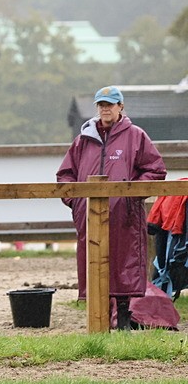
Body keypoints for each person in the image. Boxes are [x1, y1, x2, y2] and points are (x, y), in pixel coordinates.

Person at [57, 85, 166, 330]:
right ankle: (100, 323)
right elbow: (65, 175)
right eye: (101, 105)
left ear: (120, 106)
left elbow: (155, 170)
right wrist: (76, 202)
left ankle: (124, 320)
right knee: (94, 264)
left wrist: (131, 195)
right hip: (89, 217)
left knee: (123, 265)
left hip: (124, 217)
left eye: (110, 104)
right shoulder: (83, 140)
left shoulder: (136, 136)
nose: (105, 109)